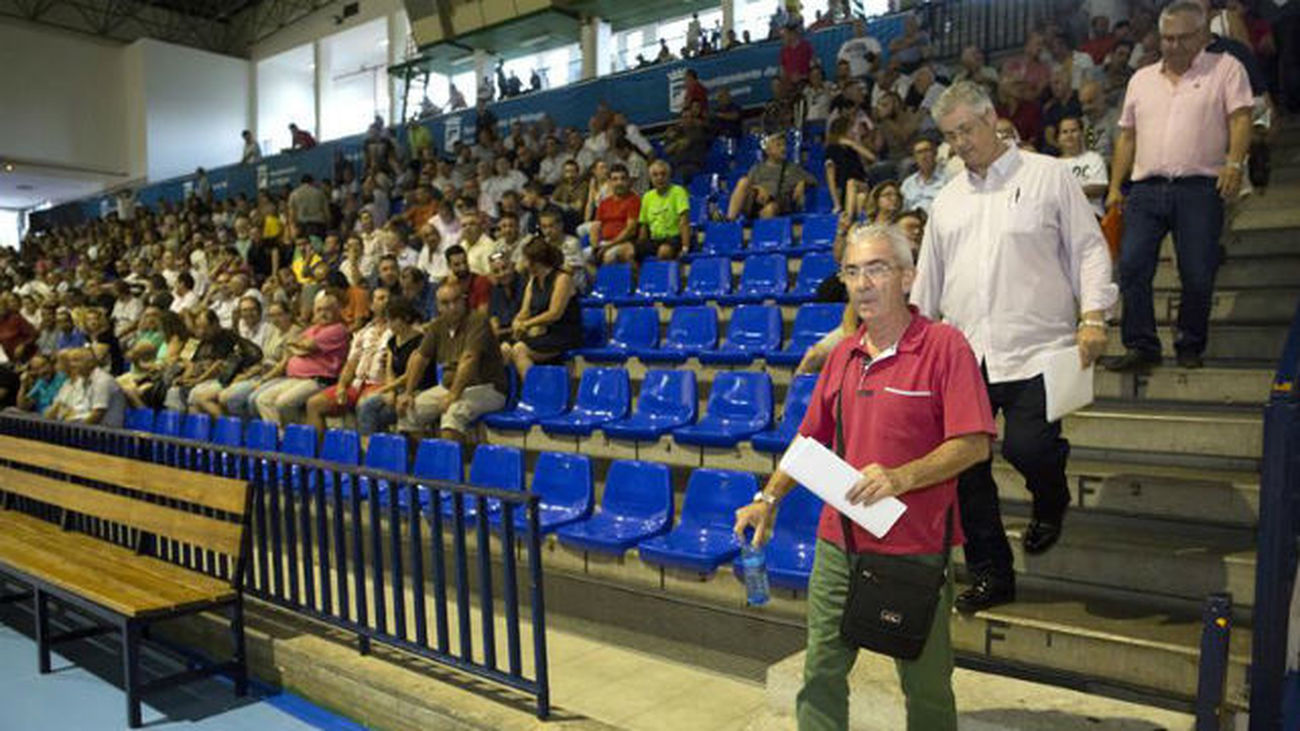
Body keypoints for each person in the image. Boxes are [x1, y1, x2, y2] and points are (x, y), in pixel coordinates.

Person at [734, 223, 995, 731]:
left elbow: (975, 444)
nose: (862, 283)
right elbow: (808, 442)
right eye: (852, 271)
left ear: (907, 276)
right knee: (822, 672)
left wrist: (901, 477)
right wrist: (769, 497)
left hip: (914, 549)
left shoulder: (946, 347)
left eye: (876, 269)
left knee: (927, 687)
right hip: (840, 543)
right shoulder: (844, 356)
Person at [913, 81, 1117, 613]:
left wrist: (1092, 315)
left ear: (992, 119)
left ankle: (1051, 497)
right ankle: (991, 573)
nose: (960, 142)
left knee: (1029, 448)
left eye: (967, 129)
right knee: (965, 471)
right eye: (950, 135)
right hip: (965, 355)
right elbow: (928, 282)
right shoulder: (948, 199)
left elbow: (1089, 251)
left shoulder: (1047, 175)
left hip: (1037, 349)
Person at [1105, 1, 1252, 373]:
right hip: (1146, 188)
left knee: (1198, 271)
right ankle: (1141, 345)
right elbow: (1126, 136)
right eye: (1167, 38)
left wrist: (1234, 163)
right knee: (1133, 266)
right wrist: (1115, 186)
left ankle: (1190, 343)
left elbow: (1241, 118)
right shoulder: (1141, 79)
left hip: (1200, 187)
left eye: (1183, 38)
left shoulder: (1227, 69)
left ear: (1202, 35)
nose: (1173, 45)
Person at [397, 281, 510, 442]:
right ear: (438, 307)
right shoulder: (437, 325)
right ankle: (422, 462)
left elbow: (469, 359)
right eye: (445, 303)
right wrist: (408, 393)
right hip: (449, 386)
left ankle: (450, 464)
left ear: (464, 300)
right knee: (409, 411)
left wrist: (453, 395)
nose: (452, 307)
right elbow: (420, 358)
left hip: (488, 388)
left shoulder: (477, 321)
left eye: (456, 300)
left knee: (452, 413)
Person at [253, 293, 350, 426]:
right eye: (319, 309)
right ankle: (279, 438)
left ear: (337, 310)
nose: (323, 313)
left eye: (328, 309)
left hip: (318, 380)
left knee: (283, 402)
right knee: (263, 399)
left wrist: (302, 347)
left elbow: (306, 345)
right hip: (295, 378)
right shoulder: (313, 329)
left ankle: (298, 437)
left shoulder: (337, 329)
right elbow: (293, 346)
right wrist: (300, 347)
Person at [303, 287, 391, 434]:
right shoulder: (363, 332)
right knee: (314, 404)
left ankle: (365, 453)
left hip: (379, 384)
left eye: (387, 298)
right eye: (380, 298)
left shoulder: (397, 331)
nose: (385, 302)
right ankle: (318, 454)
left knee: (364, 406)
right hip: (357, 384)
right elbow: (351, 363)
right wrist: (342, 385)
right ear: (371, 305)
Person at [355, 296, 436, 438]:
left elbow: (409, 375)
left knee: (374, 412)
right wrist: (391, 392)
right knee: (366, 406)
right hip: (397, 389)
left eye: (393, 320)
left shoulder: (420, 341)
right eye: (388, 320)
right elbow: (390, 369)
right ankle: (371, 449)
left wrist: (384, 389)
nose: (389, 324)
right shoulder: (393, 340)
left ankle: (374, 450)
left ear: (405, 318)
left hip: (418, 388)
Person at [501, 238, 583, 377]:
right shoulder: (533, 280)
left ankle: (535, 393)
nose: (523, 264)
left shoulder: (562, 278)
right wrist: (517, 321)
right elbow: (525, 311)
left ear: (536, 262)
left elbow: (554, 313)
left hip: (562, 332)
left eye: (526, 260)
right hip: (540, 331)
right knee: (505, 348)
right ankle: (512, 393)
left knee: (520, 349)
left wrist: (526, 324)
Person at [216, 301, 300, 419]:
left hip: (279, 376)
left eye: (279, 315)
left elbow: (283, 365)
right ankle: (248, 429)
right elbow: (263, 359)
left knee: (242, 399)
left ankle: (255, 430)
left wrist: (263, 380)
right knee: (224, 396)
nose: (275, 319)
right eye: (272, 316)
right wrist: (247, 375)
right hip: (262, 372)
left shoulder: (295, 333)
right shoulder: (274, 331)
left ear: (289, 315)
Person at [727, 134, 815, 221]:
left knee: (770, 209)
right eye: (778, 145)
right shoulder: (757, 168)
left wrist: (802, 183)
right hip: (755, 200)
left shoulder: (792, 168)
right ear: (768, 151)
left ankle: (763, 232)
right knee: (743, 182)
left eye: (784, 145)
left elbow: (814, 180)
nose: (783, 148)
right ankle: (730, 221)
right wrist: (758, 188)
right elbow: (748, 187)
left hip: (776, 203)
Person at [46, 347, 127, 428]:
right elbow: (76, 410)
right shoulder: (82, 380)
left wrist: (75, 430)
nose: (72, 365)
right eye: (71, 361)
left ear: (91, 363)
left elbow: (97, 415)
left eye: (77, 361)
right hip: (90, 429)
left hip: (108, 433)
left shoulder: (102, 381)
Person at [590, 164, 642, 266]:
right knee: (582, 258)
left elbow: (630, 230)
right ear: (609, 182)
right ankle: (598, 280)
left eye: (623, 179)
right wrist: (595, 248)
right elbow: (595, 227)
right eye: (615, 179)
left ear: (628, 181)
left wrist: (609, 245)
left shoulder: (634, 200)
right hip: (604, 243)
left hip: (622, 243)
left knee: (608, 257)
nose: (619, 183)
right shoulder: (604, 202)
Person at [1057, 117, 1109, 216]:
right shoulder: (1054, 165)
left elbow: (1099, 188)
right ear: (1058, 138)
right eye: (1064, 132)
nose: (1069, 135)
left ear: (1081, 134)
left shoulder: (1094, 158)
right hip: (1063, 217)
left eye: (1073, 131)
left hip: (1091, 214)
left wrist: (1068, 192)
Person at [899, 138, 948, 214]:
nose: (924, 156)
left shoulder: (948, 179)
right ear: (915, 158)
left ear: (935, 153)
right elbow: (902, 210)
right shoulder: (908, 183)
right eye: (919, 152)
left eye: (927, 151)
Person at [487, 250, 526, 342]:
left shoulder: (524, 285)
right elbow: (493, 316)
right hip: (503, 335)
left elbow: (523, 323)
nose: (502, 274)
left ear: (512, 266)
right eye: (496, 271)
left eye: (504, 268)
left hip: (522, 334)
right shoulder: (496, 289)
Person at [288, 175, 330, 241]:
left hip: (302, 226)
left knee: (304, 249)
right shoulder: (320, 193)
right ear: (312, 182)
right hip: (318, 226)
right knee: (318, 249)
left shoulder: (294, 194)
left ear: (301, 183)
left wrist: (293, 228)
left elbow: (292, 214)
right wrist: (328, 225)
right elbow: (327, 213)